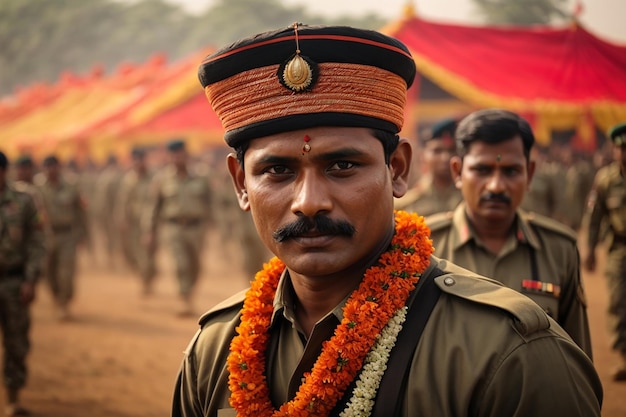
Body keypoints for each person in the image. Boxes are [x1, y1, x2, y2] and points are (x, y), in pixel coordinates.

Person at [171, 24, 602, 417]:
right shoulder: (217, 350)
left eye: (342, 166)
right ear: (240, 184)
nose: (309, 202)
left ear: (397, 169)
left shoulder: (507, 356)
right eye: (277, 171)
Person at [425, 109, 592, 357]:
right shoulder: (424, 245)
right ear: (457, 172)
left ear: (530, 173)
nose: (496, 185)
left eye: (511, 171)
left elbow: (577, 358)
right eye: (482, 170)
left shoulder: (560, 250)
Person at [142, 139, 212, 316]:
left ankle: (189, 290)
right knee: (180, 264)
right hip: (173, 228)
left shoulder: (201, 178)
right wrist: (149, 231)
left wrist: (215, 224)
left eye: (179, 155)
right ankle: (185, 298)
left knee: (195, 265)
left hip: (196, 228)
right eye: (173, 155)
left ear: (186, 156)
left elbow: (211, 202)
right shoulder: (162, 180)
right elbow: (153, 207)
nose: (176, 158)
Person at [0, 152, 46, 416]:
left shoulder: (24, 200)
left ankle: (12, 398)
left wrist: (30, 279)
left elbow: (37, 241)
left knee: (16, 343)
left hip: (14, 282)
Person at [584, 121, 626, 381]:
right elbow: (594, 217)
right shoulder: (605, 180)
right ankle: (624, 357)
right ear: (613, 150)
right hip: (619, 249)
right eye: (621, 149)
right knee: (618, 302)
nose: (625, 153)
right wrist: (589, 249)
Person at [35, 155, 89, 320]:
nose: (51, 170)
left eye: (54, 166)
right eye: (47, 166)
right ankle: (56, 297)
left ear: (59, 167)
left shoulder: (71, 185)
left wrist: (83, 234)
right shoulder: (38, 187)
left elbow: (81, 211)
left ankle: (64, 303)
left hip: (68, 235)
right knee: (48, 271)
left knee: (66, 272)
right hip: (46, 235)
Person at [394, 117, 462, 216]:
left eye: (452, 150)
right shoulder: (404, 205)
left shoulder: (470, 200)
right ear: (423, 155)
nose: (445, 158)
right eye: (437, 151)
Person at [115, 146, 157, 295]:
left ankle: (148, 279)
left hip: (151, 224)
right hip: (134, 224)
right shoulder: (129, 180)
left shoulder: (154, 178)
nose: (138, 163)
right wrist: (123, 219)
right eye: (135, 160)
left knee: (148, 254)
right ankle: (144, 277)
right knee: (135, 254)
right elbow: (124, 201)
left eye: (141, 159)